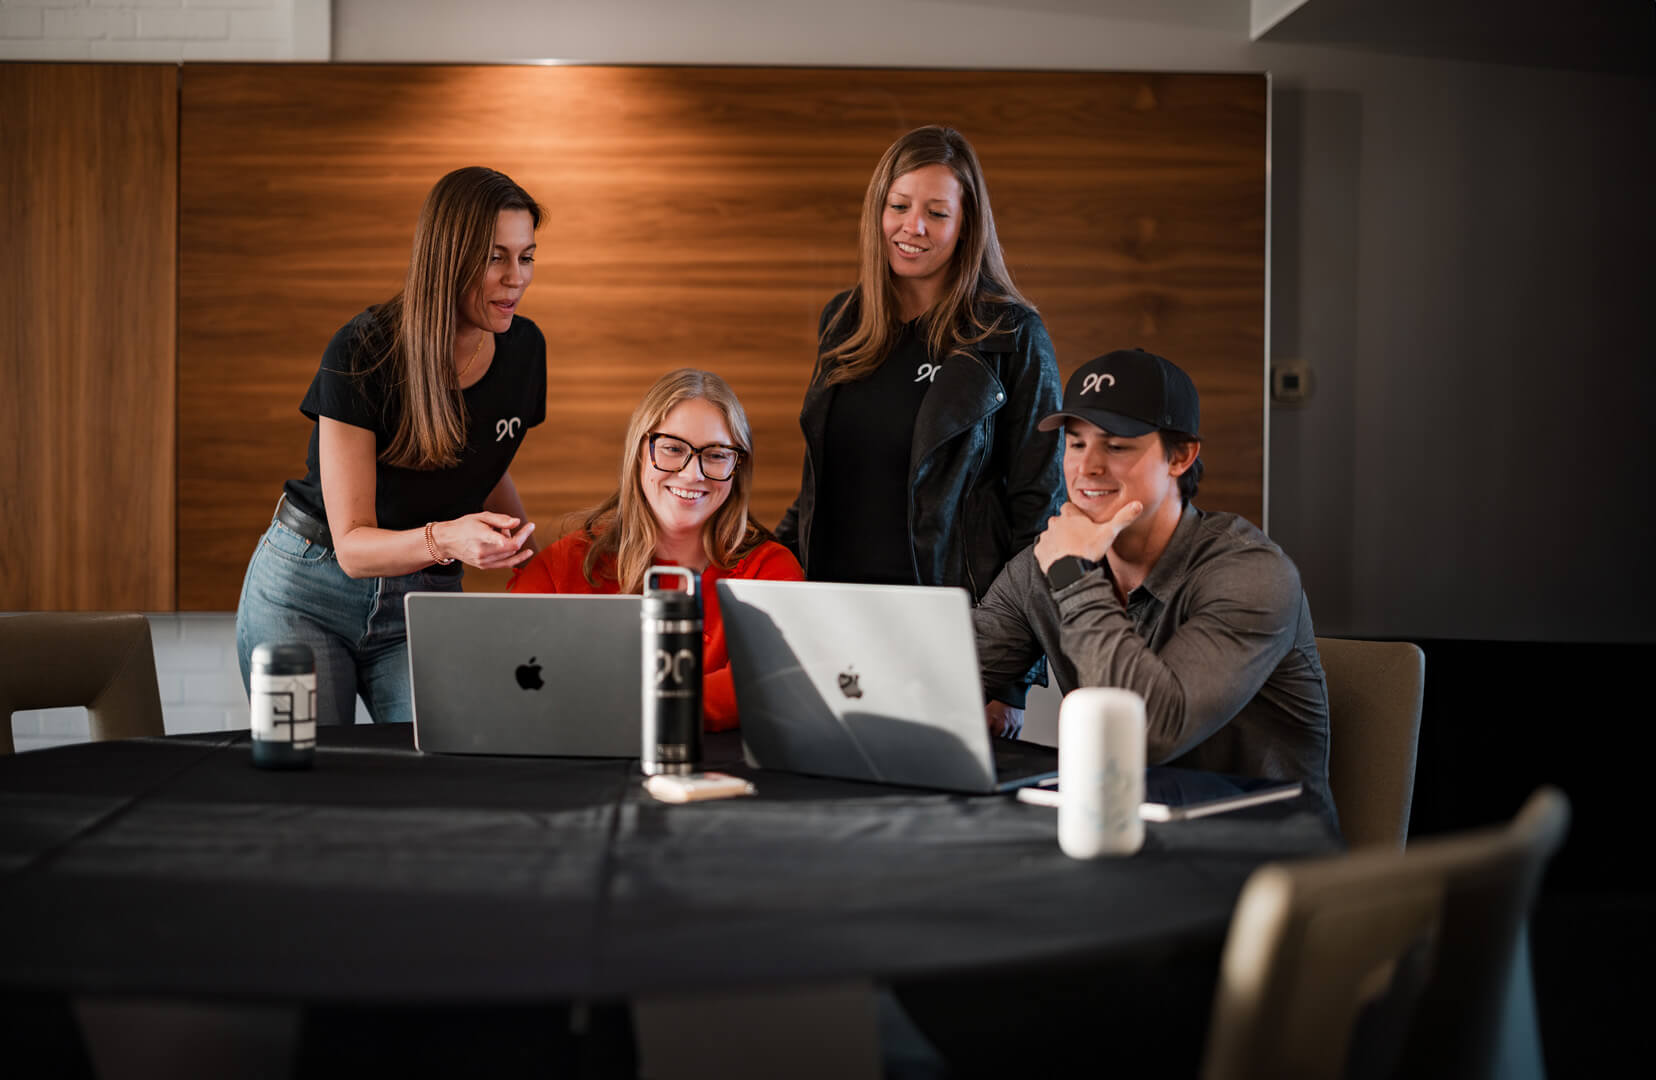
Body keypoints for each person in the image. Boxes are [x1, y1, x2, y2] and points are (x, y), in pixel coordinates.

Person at [972, 348, 1336, 826]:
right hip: (1124, 830)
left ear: (1180, 456)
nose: (1087, 468)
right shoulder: (1048, 564)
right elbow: (949, 677)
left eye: (1116, 445)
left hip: (1256, 848)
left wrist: (1073, 576)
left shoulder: (1253, 573)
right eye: (1076, 443)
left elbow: (1148, 733)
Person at [236, 166, 545, 725]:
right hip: (308, 591)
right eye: (495, 256)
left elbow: (482, 462)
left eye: (525, 257)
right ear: (447, 257)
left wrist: (532, 559)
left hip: (422, 602)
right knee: (309, 778)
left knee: (437, 774)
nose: (514, 278)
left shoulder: (525, 349)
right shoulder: (363, 349)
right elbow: (353, 548)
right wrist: (451, 536)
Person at [776, 125, 1065, 605]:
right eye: (899, 206)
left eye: (937, 213)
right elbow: (823, 482)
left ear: (966, 225)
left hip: (952, 622)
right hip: (834, 610)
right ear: (878, 211)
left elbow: (1041, 508)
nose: (914, 226)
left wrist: (1003, 644)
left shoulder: (1011, 334)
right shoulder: (844, 320)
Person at [511, 368, 803, 732]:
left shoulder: (771, 569)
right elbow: (509, 674)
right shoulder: (562, 565)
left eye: (715, 455)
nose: (691, 473)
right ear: (639, 453)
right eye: (672, 449)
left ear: (737, 467)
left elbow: (770, 682)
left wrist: (615, 699)